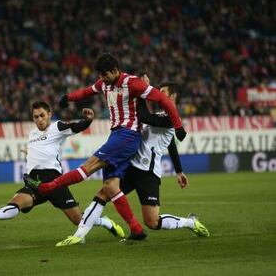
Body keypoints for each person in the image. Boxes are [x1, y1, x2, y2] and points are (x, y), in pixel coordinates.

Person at [25, 53, 187, 244]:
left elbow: (163, 100)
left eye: (105, 75)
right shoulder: (105, 83)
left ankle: (47, 187)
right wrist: (68, 97)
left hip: (127, 136)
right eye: (100, 76)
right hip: (117, 135)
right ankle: (136, 229)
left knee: (90, 165)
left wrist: (178, 126)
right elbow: (86, 92)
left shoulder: (133, 83)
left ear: (115, 71)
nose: (102, 79)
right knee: (110, 187)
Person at [56, 79, 209, 246]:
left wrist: (141, 93)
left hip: (147, 173)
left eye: (163, 93)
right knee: (104, 192)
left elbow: (145, 117)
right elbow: (170, 143)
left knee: (152, 222)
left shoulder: (172, 118)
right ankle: (79, 235)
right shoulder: (159, 116)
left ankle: (190, 223)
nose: (158, 96)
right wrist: (179, 171)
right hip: (130, 167)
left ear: (172, 97)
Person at [0, 101, 125, 240]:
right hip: (34, 181)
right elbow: (40, 151)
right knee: (17, 202)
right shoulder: (32, 134)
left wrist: (88, 120)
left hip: (53, 180)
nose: (39, 119)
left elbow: (76, 127)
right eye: (35, 117)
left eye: (42, 115)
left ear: (49, 114)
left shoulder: (57, 127)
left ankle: (106, 222)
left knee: (77, 220)